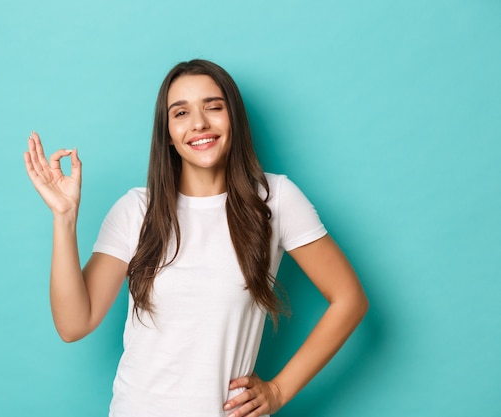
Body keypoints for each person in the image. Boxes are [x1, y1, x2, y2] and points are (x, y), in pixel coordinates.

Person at [23, 59, 369, 417]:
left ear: (234, 117)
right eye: (181, 113)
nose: (199, 123)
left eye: (213, 107)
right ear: (168, 134)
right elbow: (73, 324)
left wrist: (279, 390)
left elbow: (349, 298)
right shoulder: (135, 209)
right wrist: (64, 218)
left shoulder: (275, 198)